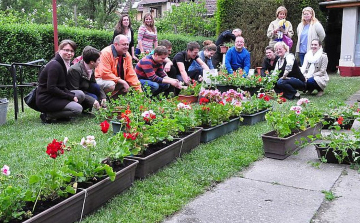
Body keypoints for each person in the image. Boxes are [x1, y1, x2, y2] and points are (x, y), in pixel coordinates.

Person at [36, 39, 85, 123]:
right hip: (46, 98)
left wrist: (70, 95)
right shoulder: (54, 65)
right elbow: (51, 88)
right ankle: (48, 115)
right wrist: (70, 96)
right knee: (77, 109)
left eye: (72, 51)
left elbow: (61, 86)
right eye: (66, 50)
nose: (69, 53)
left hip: (55, 95)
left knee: (80, 94)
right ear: (59, 50)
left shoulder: (64, 63)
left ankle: (61, 115)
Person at [67, 46, 106, 110]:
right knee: (94, 98)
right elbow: (75, 91)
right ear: (92, 62)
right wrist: (92, 100)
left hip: (85, 89)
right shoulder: (75, 70)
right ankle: (85, 108)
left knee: (96, 86)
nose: (100, 62)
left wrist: (103, 97)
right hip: (78, 93)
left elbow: (94, 83)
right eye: (98, 60)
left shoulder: (91, 67)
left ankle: (100, 105)